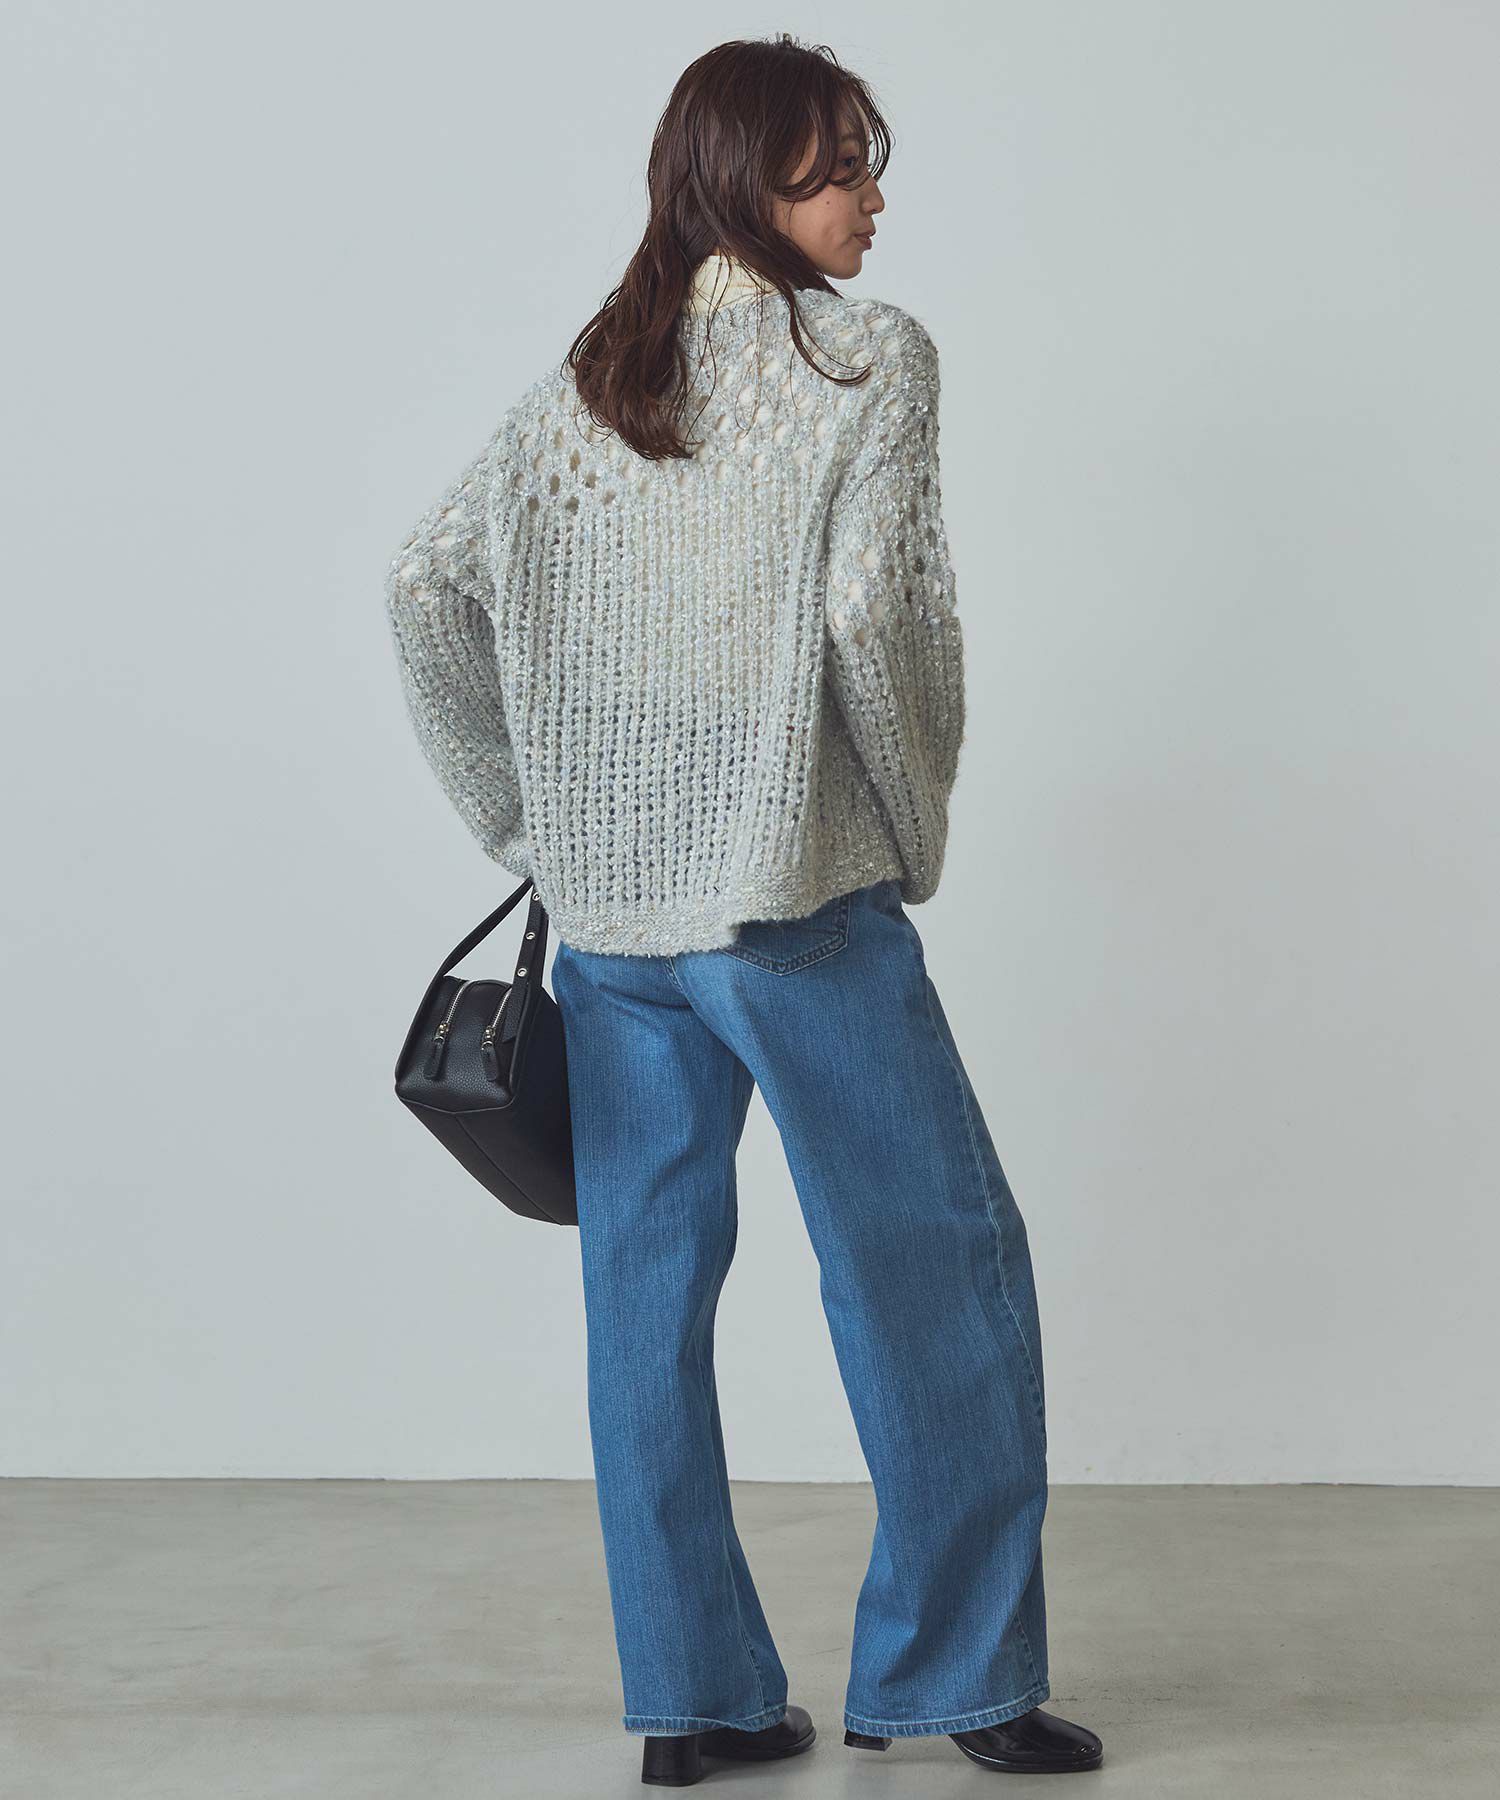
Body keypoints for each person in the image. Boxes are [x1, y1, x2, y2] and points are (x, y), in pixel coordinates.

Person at [384, 30, 1103, 1788]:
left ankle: (694, 1701)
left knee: (645, 1300)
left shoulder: (594, 380)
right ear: (742, 180)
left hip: (618, 934)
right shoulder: (867, 359)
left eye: (870, 163)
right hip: (795, 913)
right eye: (836, 165)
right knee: (933, 1273)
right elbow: (877, 622)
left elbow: (423, 586)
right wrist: (907, 822)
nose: (870, 199)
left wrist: (535, 822)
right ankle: (958, 1681)